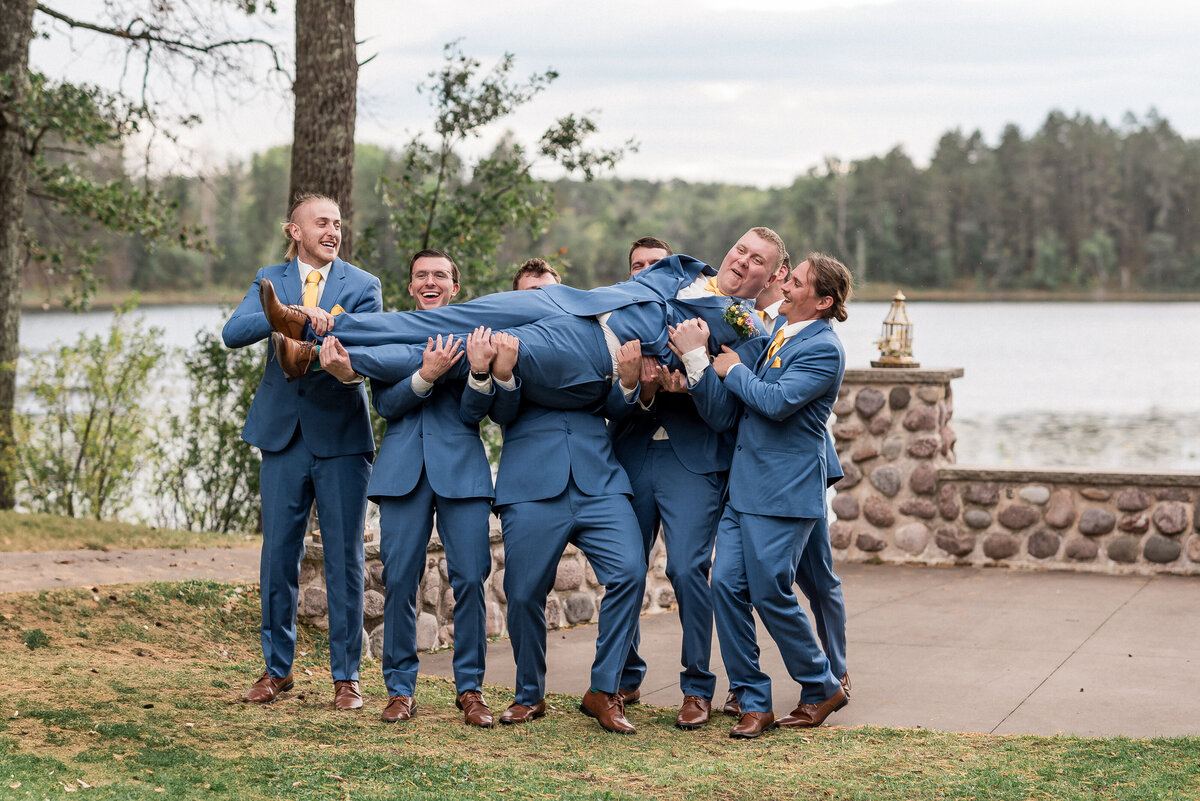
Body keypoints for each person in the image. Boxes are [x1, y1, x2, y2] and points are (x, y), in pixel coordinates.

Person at [261, 229, 785, 406]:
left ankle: (313, 358)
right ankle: (310, 325)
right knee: (451, 319)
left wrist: (687, 366)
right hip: (571, 301)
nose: (742, 261)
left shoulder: (748, 329)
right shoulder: (686, 268)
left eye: (756, 260)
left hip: (593, 350)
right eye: (741, 249)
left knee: (466, 349)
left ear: (771, 275)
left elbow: (714, 388)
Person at [319, 249, 510, 727]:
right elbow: (385, 403)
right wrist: (425, 375)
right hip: (402, 472)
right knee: (399, 580)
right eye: (421, 275)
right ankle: (400, 690)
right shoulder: (392, 334)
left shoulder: (475, 334)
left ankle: (471, 690)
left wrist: (478, 371)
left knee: (470, 580)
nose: (430, 281)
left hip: (462, 473)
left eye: (440, 275)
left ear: (455, 286)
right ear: (410, 287)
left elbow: (473, 413)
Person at [679, 252, 853, 738]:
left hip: (783, 492)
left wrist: (732, 370)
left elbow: (775, 403)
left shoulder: (823, 349)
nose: (785, 286)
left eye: (795, 282)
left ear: (822, 301)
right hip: (744, 487)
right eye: (788, 278)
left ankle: (821, 683)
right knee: (726, 588)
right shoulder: (779, 330)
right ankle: (754, 699)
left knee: (771, 592)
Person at [222, 193, 381, 711]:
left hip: (341, 437)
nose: (333, 231)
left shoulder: (363, 286)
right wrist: (287, 314)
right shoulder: (270, 278)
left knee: (344, 558)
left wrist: (320, 327)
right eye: (322, 223)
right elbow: (233, 333)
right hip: (283, 436)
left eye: (338, 223)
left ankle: (347, 677)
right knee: (277, 558)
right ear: (295, 231)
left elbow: (367, 347)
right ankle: (276, 670)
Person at [477, 322, 647, 734]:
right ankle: (529, 694)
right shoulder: (511, 347)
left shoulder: (588, 343)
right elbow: (498, 413)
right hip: (530, 487)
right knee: (522, 592)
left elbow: (618, 411)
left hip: (600, 480)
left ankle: (604, 689)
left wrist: (627, 383)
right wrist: (502, 374)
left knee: (630, 572)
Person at [607, 236, 729, 730]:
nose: (645, 272)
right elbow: (605, 406)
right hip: (632, 456)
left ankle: (697, 687)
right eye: (637, 266)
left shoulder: (704, 317)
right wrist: (635, 385)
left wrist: (686, 381)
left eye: (655, 265)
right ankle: (624, 675)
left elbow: (725, 398)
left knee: (685, 569)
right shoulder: (618, 322)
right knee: (625, 571)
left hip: (692, 462)